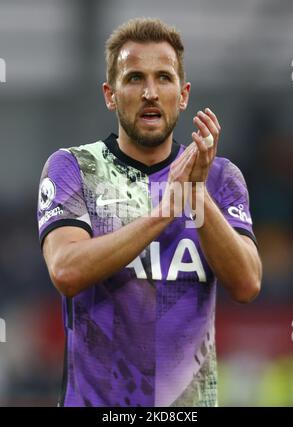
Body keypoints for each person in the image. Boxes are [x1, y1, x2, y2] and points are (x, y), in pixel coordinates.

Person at [37, 17, 262, 407]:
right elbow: (66, 270)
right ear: (110, 94)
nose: (150, 93)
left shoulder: (221, 178)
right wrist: (165, 211)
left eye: (164, 78)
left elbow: (247, 284)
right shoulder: (74, 168)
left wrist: (195, 194)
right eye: (135, 78)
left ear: (184, 93)